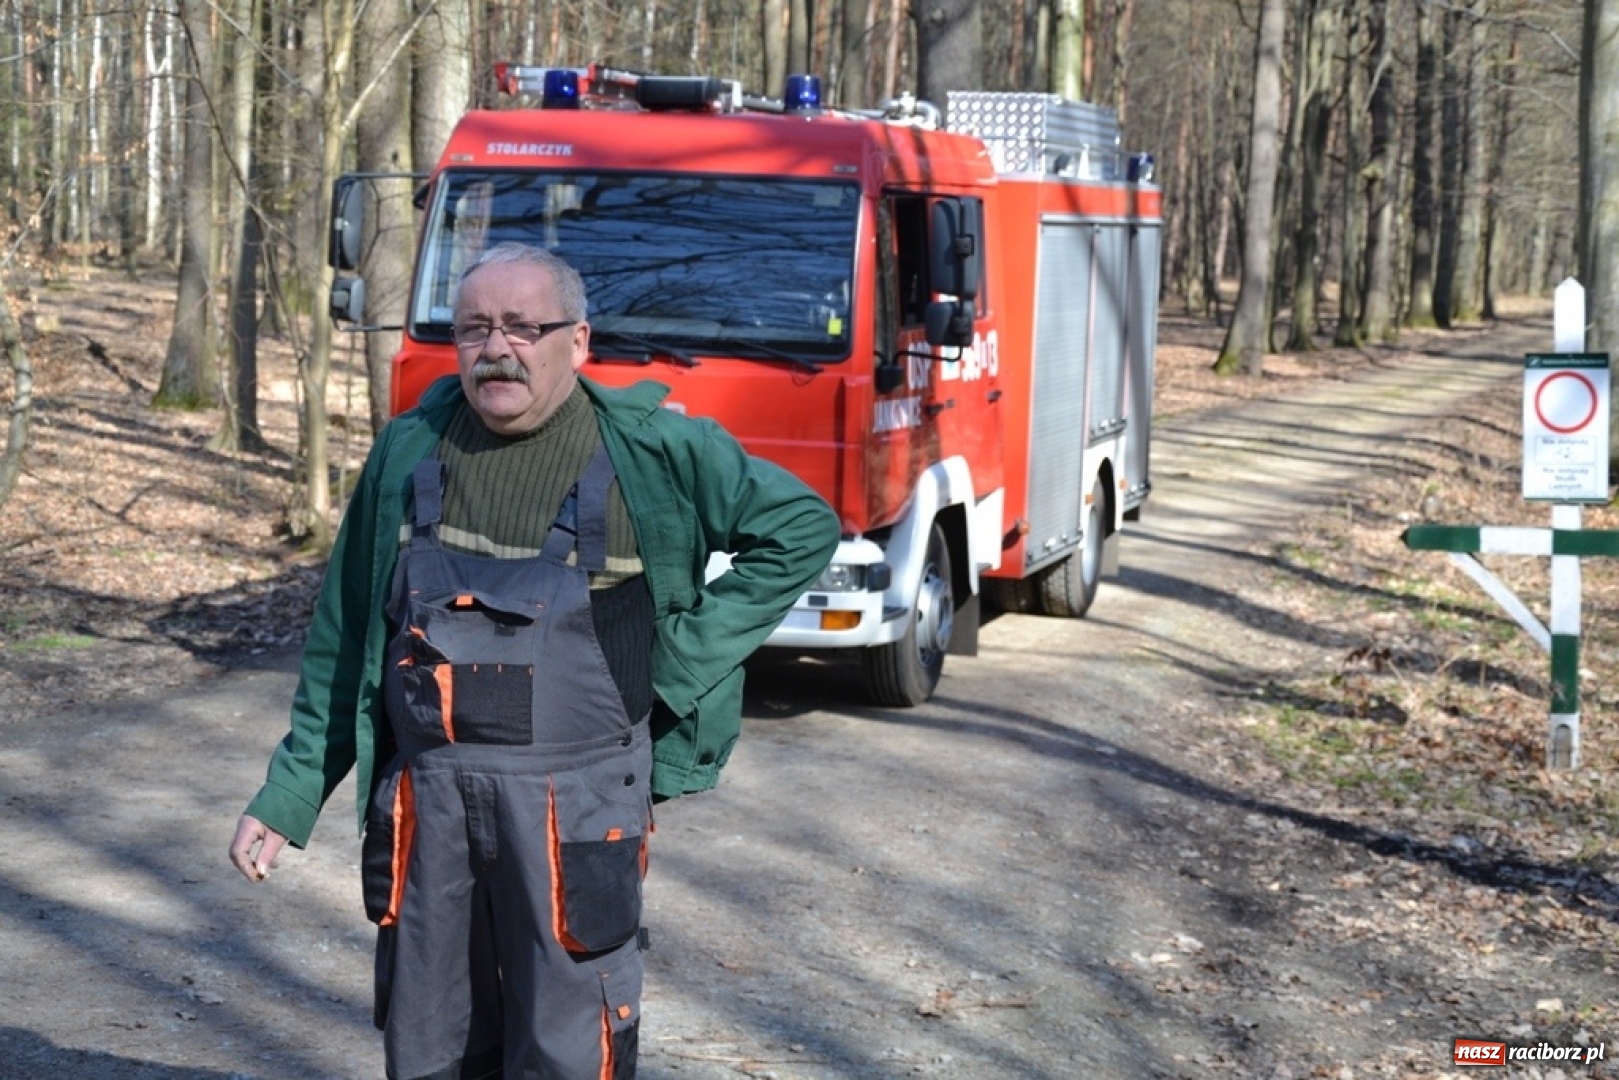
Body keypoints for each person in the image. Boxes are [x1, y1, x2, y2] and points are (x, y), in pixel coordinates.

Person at [229, 242, 840, 1079]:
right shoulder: (407, 452)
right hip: (429, 804)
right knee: (430, 1042)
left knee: (566, 1043)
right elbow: (345, 644)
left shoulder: (653, 452)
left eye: (523, 326)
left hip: (577, 807)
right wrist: (289, 793)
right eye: (475, 327)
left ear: (577, 341)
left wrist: (680, 661)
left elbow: (802, 527)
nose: (497, 347)